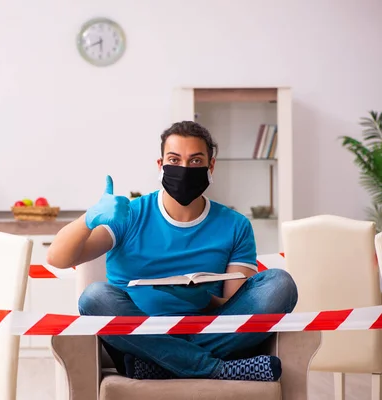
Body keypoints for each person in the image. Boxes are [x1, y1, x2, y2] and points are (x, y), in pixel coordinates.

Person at [46, 121, 298, 382]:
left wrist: (203, 300)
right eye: (174, 160)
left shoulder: (235, 225)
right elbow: (58, 258)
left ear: (211, 167)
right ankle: (215, 369)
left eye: (196, 161)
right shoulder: (130, 214)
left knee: (280, 283)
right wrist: (89, 218)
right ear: (160, 165)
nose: (185, 169)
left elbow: (234, 308)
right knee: (94, 297)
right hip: (141, 335)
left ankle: (165, 364)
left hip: (206, 332)